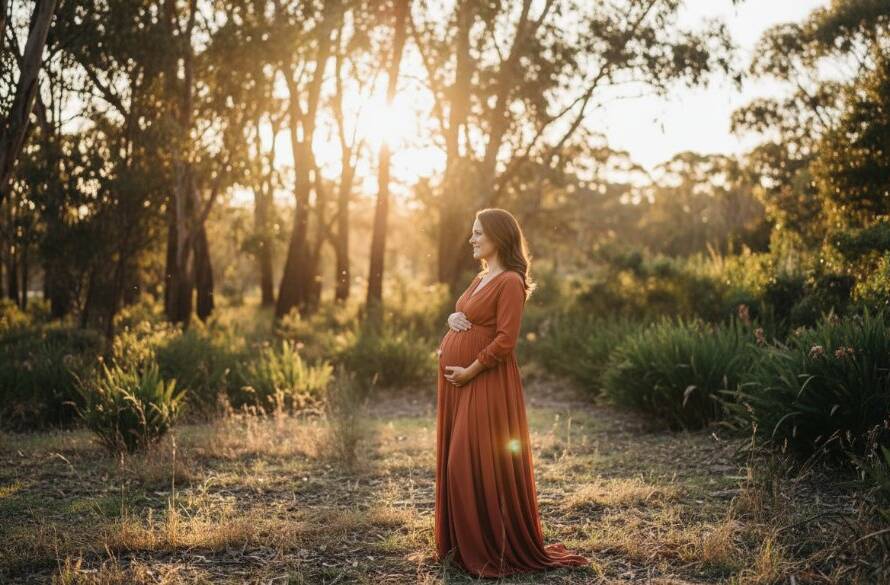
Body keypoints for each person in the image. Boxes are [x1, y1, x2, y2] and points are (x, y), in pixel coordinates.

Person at [434, 208, 590, 578]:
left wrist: (471, 370)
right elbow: (467, 316)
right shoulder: (482, 277)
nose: (471, 239)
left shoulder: (510, 282)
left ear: (499, 238)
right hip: (460, 386)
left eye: (478, 234)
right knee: (461, 461)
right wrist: (451, 319)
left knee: (465, 463)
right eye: (472, 233)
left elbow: (506, 340)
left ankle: (488, 545)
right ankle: (461, 548)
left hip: (485, 382)